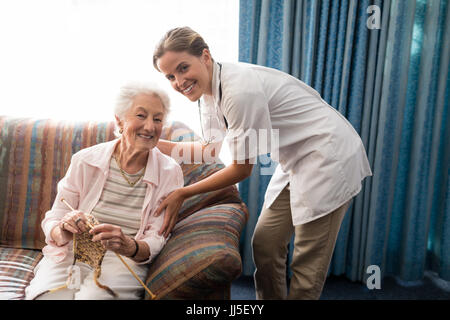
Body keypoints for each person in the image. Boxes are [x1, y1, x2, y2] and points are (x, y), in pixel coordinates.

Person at [152, 26, 372, 300]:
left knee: (306, 264)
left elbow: (242, 169)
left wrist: (183, 193)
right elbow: (210, 151)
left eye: (183, 68)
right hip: (296, 160)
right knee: (266, 244)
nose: (179, 81)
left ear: (205, 56)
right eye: (170, 76)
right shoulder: (208, 92)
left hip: (328, 155)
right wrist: (155, 143)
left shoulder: (239, 91)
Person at [25, 82, 184, 300]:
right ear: (119, 119)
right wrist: (63, 229)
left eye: (157, 119)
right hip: (73, 251)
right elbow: (54, 218)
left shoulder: (169, 171)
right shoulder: (85, 160)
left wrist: (129, 245)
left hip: (123, 260)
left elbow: (158, 236)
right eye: (141, 116)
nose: (149, 127)